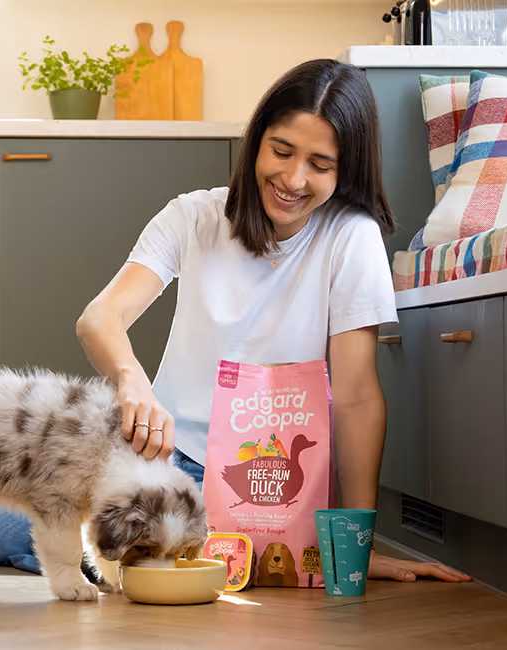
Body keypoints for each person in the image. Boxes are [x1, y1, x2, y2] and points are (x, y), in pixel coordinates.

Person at [76, 59, 470, 584]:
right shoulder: (193, 217)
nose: (293, 179)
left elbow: (356, 397)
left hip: (278, 487)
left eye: (320, 164)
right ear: (257, 140)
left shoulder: (350, 238)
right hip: (171, 463)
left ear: (345, 170)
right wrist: (133, 382)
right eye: (281, 151)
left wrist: (355, 545)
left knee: (135, 552)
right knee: (15, 516)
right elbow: (100, 317)